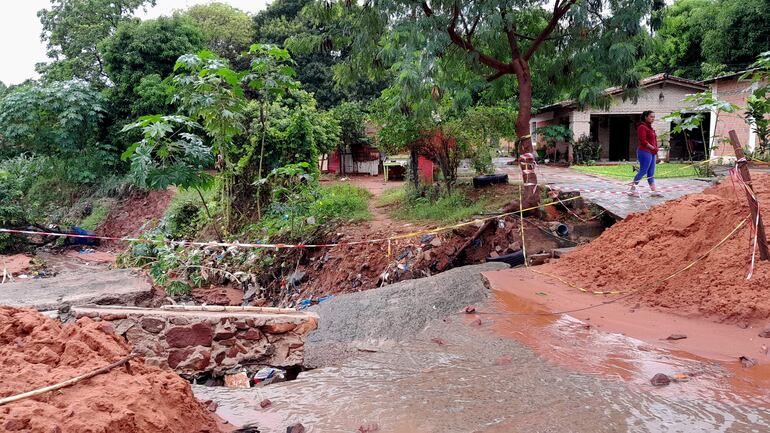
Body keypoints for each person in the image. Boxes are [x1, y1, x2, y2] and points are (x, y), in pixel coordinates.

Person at [630, 110, 663, 197]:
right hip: (644, 151)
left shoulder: (650, 128)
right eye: (651, 117)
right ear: (645, 117)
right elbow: (643, 141)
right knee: (643, 171)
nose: (653, 119)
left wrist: (656, 153)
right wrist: (653, 148)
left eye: (654, 117)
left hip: (652, 153)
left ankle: (654, 191)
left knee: (651, 173)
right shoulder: (642, 127)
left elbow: (654, 142)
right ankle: (632, 190)